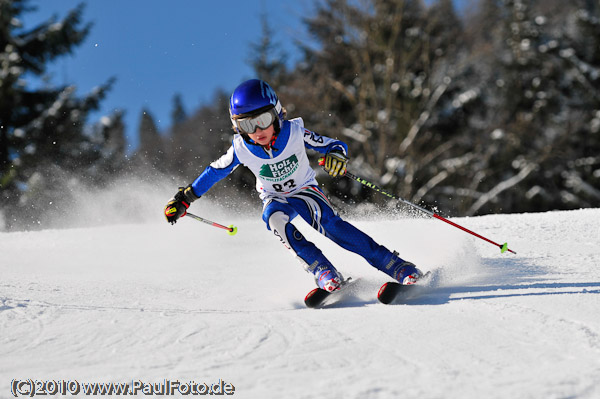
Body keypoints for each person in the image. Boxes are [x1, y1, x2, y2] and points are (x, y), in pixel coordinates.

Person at [164, 79, 422, 292]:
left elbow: (333, 145)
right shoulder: (240, 149)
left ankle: (395, 265)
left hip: (304, 191)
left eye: (263, 119)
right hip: (275, 197)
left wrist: (336, 156)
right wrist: (185, 198)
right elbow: (214, 172)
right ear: (237, 127)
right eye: (247, 124)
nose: (257, 130)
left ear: (277, 114)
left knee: (331, 227)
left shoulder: (294, 132)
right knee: (273, 219)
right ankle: (322, 270)